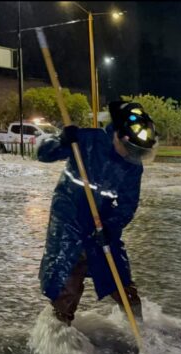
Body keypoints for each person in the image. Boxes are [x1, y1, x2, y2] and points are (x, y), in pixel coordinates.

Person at [37, 101, 158, 326]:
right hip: (68, 224)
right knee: (66, 287)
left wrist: (110, 227)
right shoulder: (85, 140)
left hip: (102, 226)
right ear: (118, 136)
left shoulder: (133, 166)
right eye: (131, 149)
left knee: (122, 284)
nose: (133, 156)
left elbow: (127, 205)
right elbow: (42, 153)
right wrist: (61, 140)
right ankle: (58, 340)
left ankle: (141, 332)